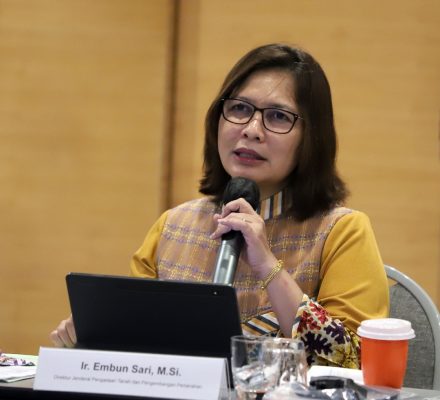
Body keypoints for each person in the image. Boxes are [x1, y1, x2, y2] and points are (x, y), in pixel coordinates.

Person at [50, 43, 389, 368]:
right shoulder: (173, 226)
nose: (252, 130)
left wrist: (267, 266)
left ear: (311, 137)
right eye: (240, 109)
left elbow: (355, 362)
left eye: (277, 116)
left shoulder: (341, 231)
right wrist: (95, 337)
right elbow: (140, 345)